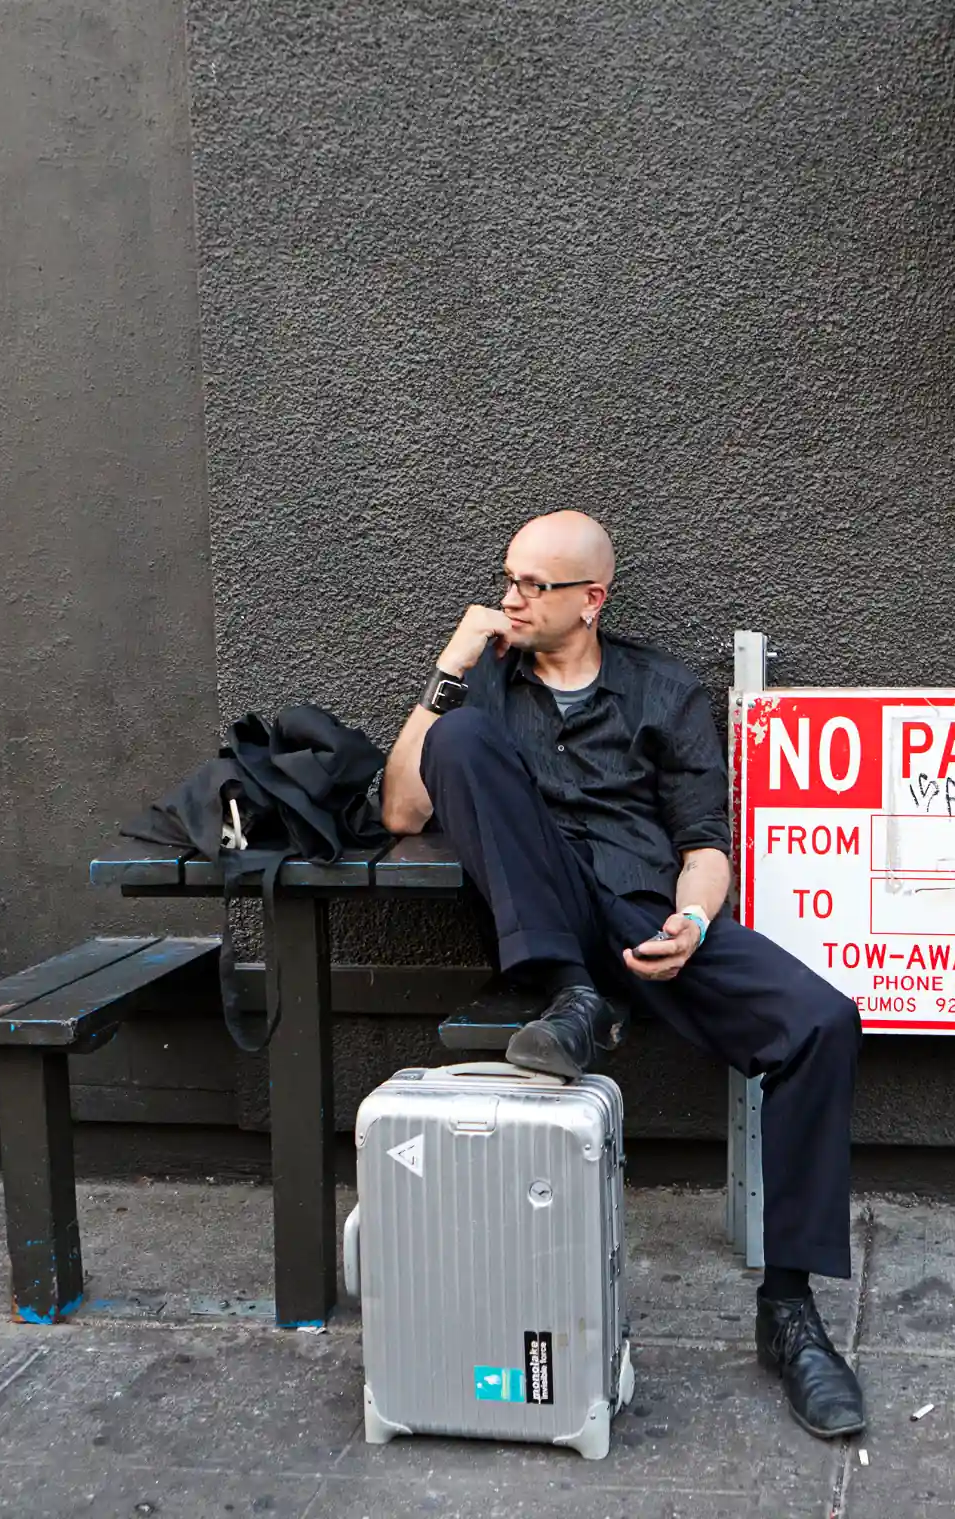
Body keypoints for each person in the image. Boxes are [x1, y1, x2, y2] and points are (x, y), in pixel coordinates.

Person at [381, 510, 866, 1439]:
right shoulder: (484, 685)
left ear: (592, 600)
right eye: (509, 578)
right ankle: (573, 993)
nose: (511, 598)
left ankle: (792, 1310)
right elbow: (404, 807)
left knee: (821, 1021)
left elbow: (706, 845)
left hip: (648, 915)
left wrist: (691, 919)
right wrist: (447, 671)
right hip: (547, 923)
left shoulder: (663, 691)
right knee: (457, 743)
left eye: (535, 585)